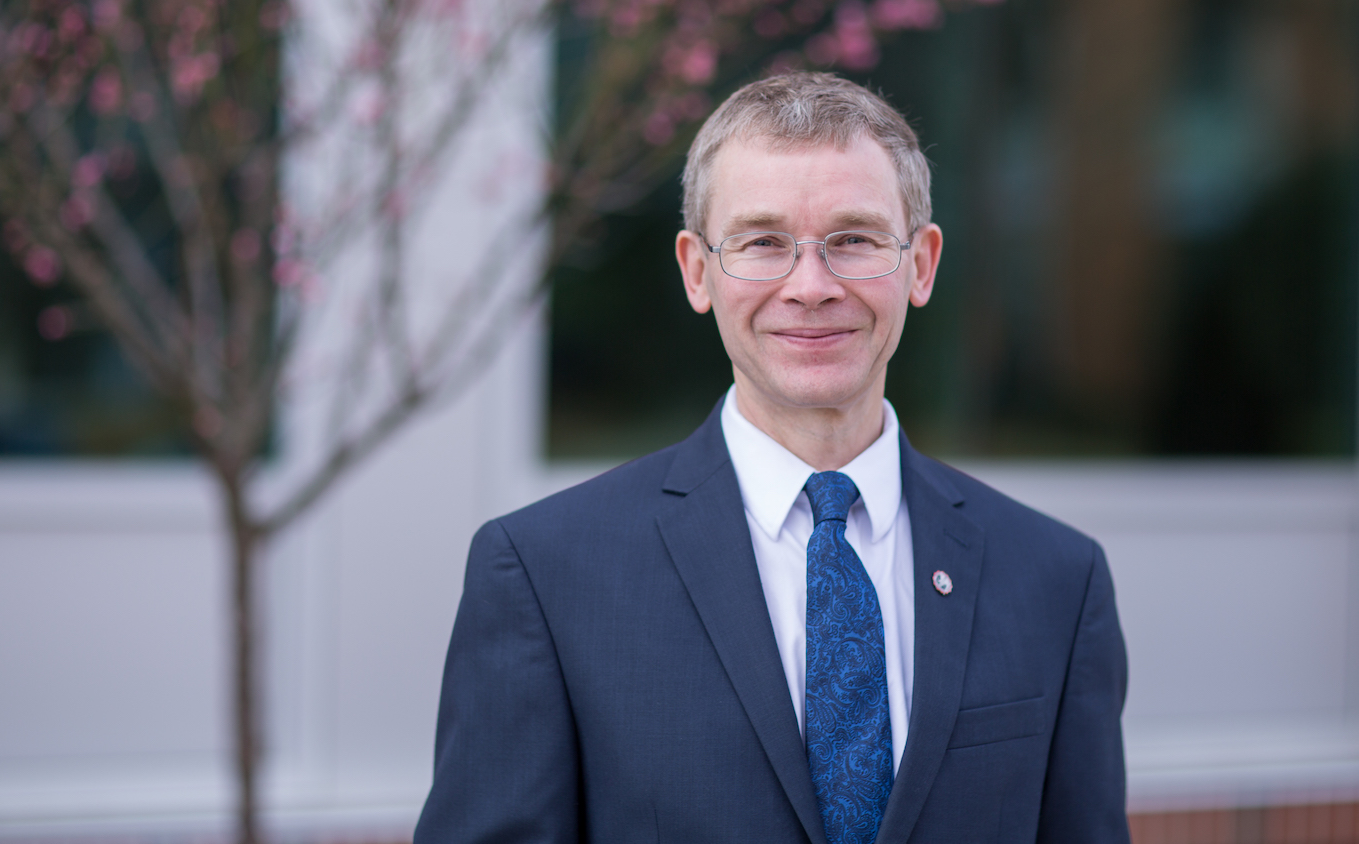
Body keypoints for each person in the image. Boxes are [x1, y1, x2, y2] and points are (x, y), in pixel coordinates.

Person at [414, 72, 1129, 844]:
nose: (810, 286)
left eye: (853, 240)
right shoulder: (543, 576)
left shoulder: (1057, 579)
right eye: (762, 243)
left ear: (920, 265)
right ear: (697, 270)